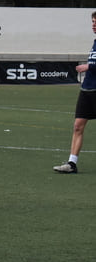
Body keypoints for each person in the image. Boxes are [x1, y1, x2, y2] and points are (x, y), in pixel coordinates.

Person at [53, 11, 96, 173]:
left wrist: (89, 66)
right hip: (87, 89)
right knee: (78, 126)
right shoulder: (95, 42)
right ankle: (72, 164)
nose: (93, 24)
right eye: (92, 21)